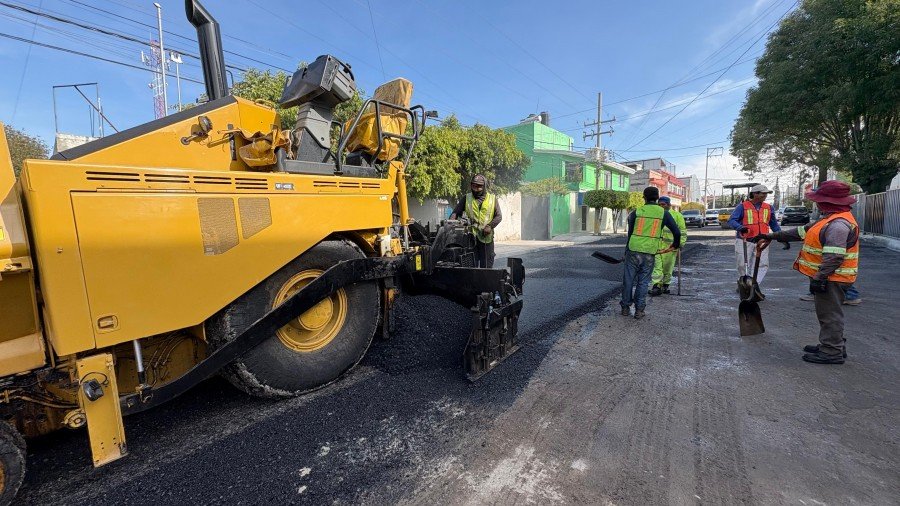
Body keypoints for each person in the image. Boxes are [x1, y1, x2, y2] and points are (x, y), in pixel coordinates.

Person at [752, 180, 859, 364]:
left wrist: (819, 277)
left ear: (827, 202)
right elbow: (801, 231)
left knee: (830, 315)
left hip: (833, 277)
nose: (816, 203)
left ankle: (831, 351)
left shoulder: (838, 225)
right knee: (828, 313)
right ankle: (832, 344)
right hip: (832, 276)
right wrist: (771, 236)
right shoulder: (829, 220)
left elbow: (834, 257)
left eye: (818, 200)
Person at [620, 187, 681, 320]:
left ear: (644, 197)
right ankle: (639, 310)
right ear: (657, 198)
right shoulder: (663, 213)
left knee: (628, 280)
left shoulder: (636, 212)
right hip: (649, 252)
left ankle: (625, 308)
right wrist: (675, 245)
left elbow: (630, 235)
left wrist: (626, 252)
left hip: (633, 250)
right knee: (643, 281)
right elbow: (677, 232)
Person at [727, 184, 780, 295]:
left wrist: (781, 236)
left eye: (766, 193)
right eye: (763, 193)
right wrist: (740, 227)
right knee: (742, 263)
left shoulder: (769, 208)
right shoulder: (742, 207)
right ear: (755, 194)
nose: (765, 195)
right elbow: (731, 221)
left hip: (762, 241)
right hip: (745, 240)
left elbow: (774, 224)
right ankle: (743, 282)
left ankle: (753, 285)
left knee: (762, 264)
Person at [449, 174, 502, 268]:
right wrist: (450, 223)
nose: (476, 189)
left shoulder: (492, 199)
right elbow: (455, 213)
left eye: (479, 186)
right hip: (471, 239)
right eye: (474, 185)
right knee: (470, 266)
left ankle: (485, 282)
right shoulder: (466, 198)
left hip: (486, 238)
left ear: (484, 186)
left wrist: (490, 226)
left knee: (486, 267)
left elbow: (498, 216)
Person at [649, 196, 687, 296]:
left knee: (667, 267)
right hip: (656, 246)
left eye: (663, 204)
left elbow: (682, 232)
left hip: (670, 247)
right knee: (657, 267)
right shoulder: (655, 215)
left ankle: (665, 285)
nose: (661, 206)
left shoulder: (677, 216)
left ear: (669, 205)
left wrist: (680, 244)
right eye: (659, 204)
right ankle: (656, 285)